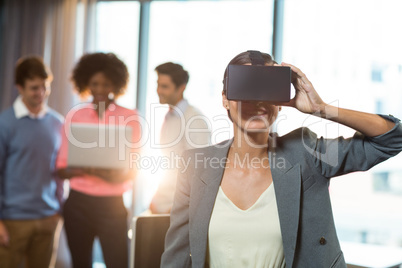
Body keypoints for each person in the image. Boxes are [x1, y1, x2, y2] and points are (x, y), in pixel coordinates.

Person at [161, 51, 402, 268]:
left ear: (279, 103)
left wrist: (322, 108)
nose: (257, 102)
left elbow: (391, 139)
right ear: (225, 98)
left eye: (266, 89)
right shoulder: (195, 165)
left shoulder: (306, 154)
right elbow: (176, 257)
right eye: (246, 87)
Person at [56, 52, 141, 268]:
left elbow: (132, 169)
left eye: (106, 84)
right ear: (86, 84)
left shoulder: (130, 117)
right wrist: (99, 170)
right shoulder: (75, 116)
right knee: (80, 263)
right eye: (95, 83)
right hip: (78, 204)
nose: (101, 90)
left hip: (112, 206)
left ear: (115, 84)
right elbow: (61, 168)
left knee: (118, 262)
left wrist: (90, 169)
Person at [0, 56, 64, 268]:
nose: (41, 93)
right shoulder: (5, 123)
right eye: (34, 88)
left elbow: (61, 171)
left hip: (48, 218)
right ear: (19, 87)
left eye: (45, 87)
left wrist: (59, 211)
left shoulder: (58, 123)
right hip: (12, 220)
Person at [149, 62, 210, 214]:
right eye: (158, 85)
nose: (158, 90)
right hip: (164, 204)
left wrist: (178, 207)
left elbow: (197, 171)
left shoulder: (194, 120)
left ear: (181, 88)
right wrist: (157, 198)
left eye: (165, 86)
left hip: (177, 208)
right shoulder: (170, 116)